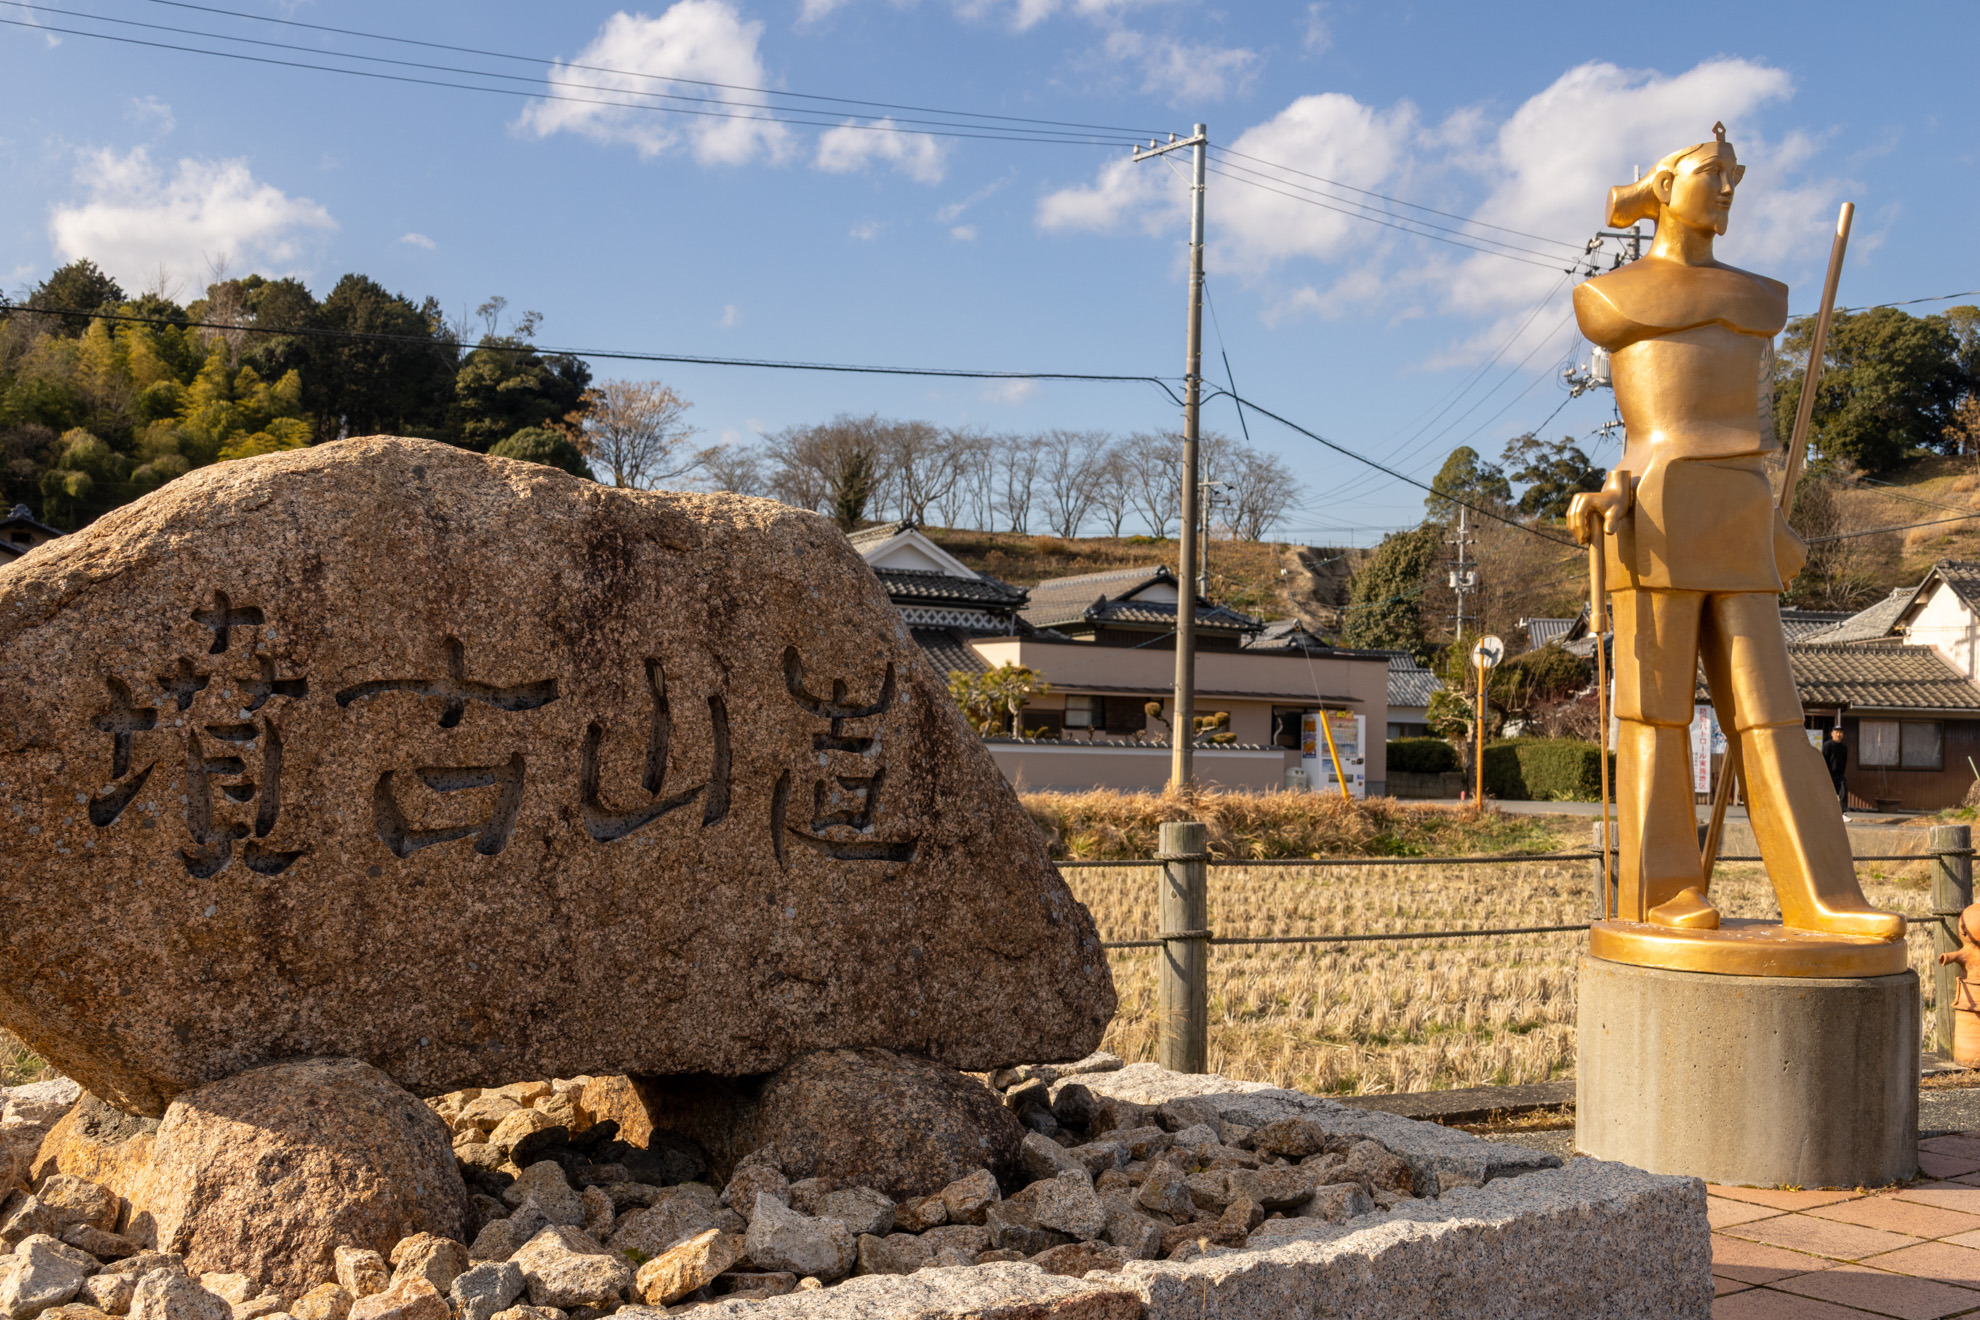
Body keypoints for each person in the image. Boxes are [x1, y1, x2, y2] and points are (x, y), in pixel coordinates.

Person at [1568, 124, 1900, 941]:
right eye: (1712, 173)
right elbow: (1643, 430)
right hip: (1655, 510)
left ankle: (1823, 894)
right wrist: (1606, 495)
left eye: (1734, 175)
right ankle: (1663, 892)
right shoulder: (1612, 297)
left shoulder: (1761, 297)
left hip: (1742, 505)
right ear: (1664, 187)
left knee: (1773, 713)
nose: (1726, 189)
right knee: (1655, 716)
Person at [1823, 728, 1849, 811]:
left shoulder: (1844, 747)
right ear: (1832, 734)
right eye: (1836, 732)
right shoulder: (1827, 745)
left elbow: (1844, 761)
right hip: (1828, 774)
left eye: (1840, 732)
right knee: (1827, 794)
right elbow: (1823, 760)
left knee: (1843, 791)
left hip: (1839, 775)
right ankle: (1825, 811)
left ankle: (1843, 812)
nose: (1838, 734)